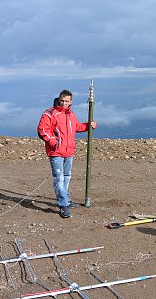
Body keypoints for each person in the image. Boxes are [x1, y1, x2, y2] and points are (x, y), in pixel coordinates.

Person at [37, 89, 97, 218]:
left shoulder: (70, 114)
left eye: (67, 101)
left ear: (71, 102)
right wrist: (53, 142)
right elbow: (42, 130)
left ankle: (66, 200)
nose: (64, 103)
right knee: (59, 179)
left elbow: (76, 127)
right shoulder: (50, 113)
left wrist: (88, 126)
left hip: (69, 151)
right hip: (56, 152)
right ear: (58, 99)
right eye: (62, 100)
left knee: (67, 177)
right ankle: (63, 204)